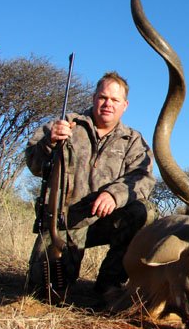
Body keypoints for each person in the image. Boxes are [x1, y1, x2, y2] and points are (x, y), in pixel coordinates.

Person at [25, 71, 156, 297]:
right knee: (43, 293)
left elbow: (143, 177)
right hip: (64, 225)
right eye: (103, 97)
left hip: (103, 221)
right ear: (94, 98)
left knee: (144, 212)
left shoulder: (133, 140)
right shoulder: (65, 126)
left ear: (124, 105)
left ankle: (108, 285)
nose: (108, 104)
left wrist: (114, 195)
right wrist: (49, 141)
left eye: (115, 100)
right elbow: (34, 165)